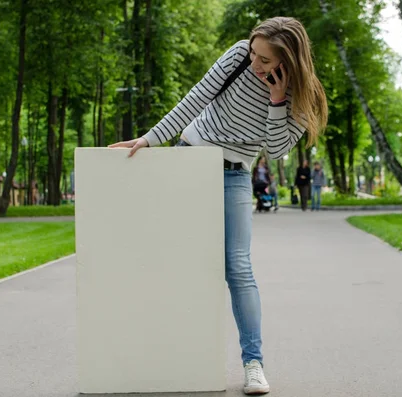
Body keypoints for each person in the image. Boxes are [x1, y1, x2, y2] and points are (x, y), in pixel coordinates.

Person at [108, 16, 328, 395]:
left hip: (234, 176)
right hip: (188, 161)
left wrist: (278, 100)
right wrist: (150, 138)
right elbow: (196, 97)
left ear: (286, 60)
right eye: (253, 53)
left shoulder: (300, 99)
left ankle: (253, 364)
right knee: (172, 258)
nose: (254, 63)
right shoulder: (239, 54)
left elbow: (276, 151)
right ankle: (167, 356)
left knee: (238, 267)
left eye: (264, 60)